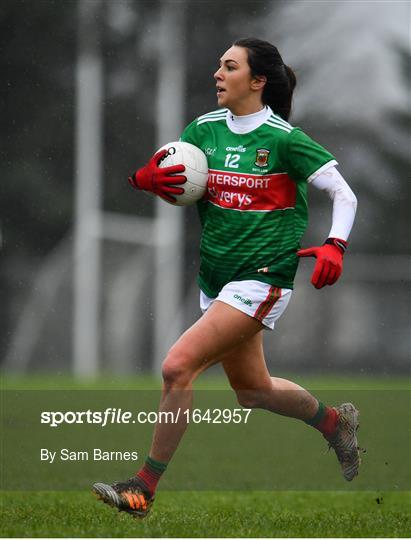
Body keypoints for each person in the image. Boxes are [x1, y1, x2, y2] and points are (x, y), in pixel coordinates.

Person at [93, 37, 360, 518]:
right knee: (253, 390)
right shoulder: (203, 129)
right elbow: (169, 174)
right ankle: (335, 424)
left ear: (257, 81)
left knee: (177, 366)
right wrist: (144, 180)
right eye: (218, 64)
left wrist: (336, 244)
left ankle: (143, 488)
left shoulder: (283, 139)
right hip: (215, 279)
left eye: (229, 66)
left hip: (262, 279)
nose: (218, 73)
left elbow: (344, 194)